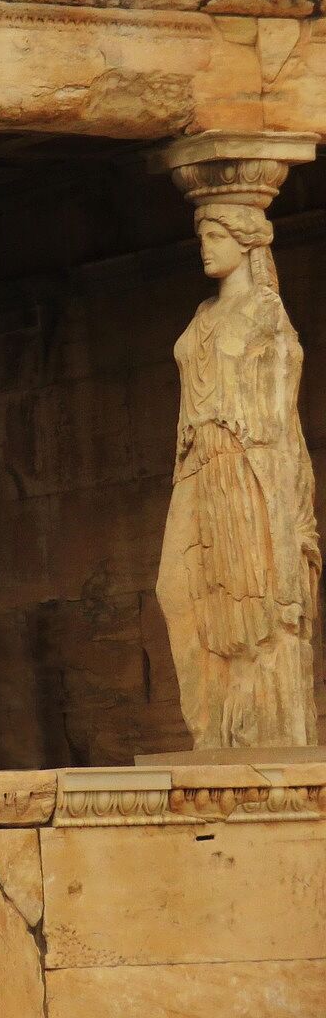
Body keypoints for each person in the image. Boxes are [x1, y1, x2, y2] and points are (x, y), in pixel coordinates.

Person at [156, 203, 320, 748]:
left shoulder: (266, 315)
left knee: (254, 601)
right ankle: (213, 730)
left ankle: (258, 733)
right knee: (176, 590)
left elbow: (278, 412)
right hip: (199, 464)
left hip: (247, 467)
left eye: (216, 235)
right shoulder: (203, 314)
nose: (206, 246)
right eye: (203, 235)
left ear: (248, 244)